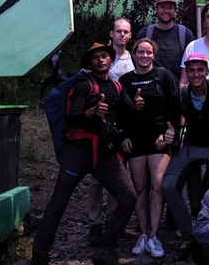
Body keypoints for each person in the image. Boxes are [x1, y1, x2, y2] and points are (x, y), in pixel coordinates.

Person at [31, 43, 137, 265]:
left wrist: (137, 104)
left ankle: (105, 248)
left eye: (105, 56)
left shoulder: (117, 87)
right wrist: (89, 113)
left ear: (111, 60)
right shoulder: (82, 86)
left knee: (128, 198)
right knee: (58, 204)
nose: (101, 60)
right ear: (89, 63)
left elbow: (128, 112)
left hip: (105, 154)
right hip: (78, 153)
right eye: (96, 57)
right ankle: (39, 256)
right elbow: (71, 118)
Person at [162, 53, 209, 261]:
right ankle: (189, 233)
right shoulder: (180, 95)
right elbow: (171, 125)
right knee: (168, 185)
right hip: (190, 147)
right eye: (191, 70)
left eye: (200, 70)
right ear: (186, 72)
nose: (196, 75)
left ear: (207, 71)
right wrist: (169, 135)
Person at [119, 38, 180, 258]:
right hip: (135, 140)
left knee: (157, 185)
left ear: (154, 55)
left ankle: (154, 235)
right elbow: (121, 113)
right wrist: (124, 136)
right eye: (141, 53)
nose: (144, 56)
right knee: (140, 189)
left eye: (149, 53)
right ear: (134, 55)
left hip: (158, 139)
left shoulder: (163, 76)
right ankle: (142, 233)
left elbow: (175, 105)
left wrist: (169, 131)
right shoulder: (126, 80)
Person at [87, 17, 136, 245]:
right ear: (112, 33)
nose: (122, 35)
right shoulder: (100, 57)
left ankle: (116, 223)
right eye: (119, 31)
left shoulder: (134, 60)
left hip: (119, 126)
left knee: (119, 174)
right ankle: (95, 223)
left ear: (130, 35)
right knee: (96, 179)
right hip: (96, 125)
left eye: (126, 31)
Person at [135, 0, 195, 81]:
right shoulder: (145, 34)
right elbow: (136, 61)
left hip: (178, 90)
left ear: (175, 10)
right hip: (150, 89)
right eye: (162, 7)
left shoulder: (185, 34)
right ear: (156, 9)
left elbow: (192, 64)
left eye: (170, 8)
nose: (166, 11)